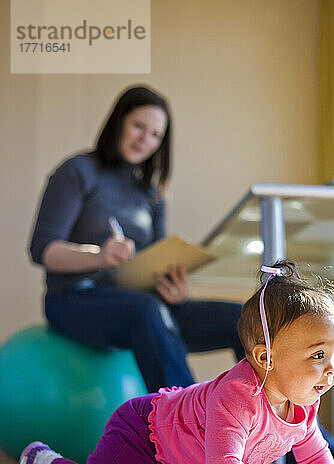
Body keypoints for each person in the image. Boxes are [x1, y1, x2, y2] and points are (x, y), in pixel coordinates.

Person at [9, 261, 334, 464]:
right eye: (318, 356)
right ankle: (40, 459)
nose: (331, 368)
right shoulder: (237, 396)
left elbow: (314, 452)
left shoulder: (302, 403)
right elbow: (225, 460)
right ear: (265, 358)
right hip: (143, 433)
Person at [29, 85, 244, 393]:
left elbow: (156, 262)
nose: (146, 139)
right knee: (146, 310)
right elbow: (42, 248)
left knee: (242, 319)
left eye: (156, 135)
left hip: (142, 303)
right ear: (118, 121)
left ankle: (291, 438)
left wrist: (174, 289)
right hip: (73, 298)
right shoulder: (78, 171)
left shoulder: (152, 196)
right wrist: (97, 257)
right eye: (138, 126)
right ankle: (191, 425)